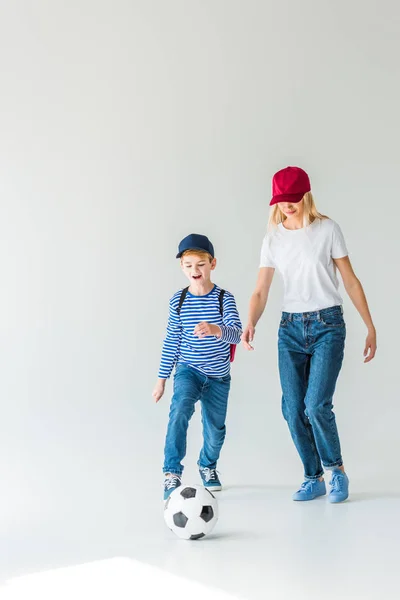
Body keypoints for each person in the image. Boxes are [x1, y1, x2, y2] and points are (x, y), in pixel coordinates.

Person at [242, 166, 377, 503]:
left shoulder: (327, 229)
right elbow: (261, 290)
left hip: (327, 325)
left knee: (316, 405)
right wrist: (251, 321)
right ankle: (312, 476)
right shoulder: (272, 237)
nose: (288, 204)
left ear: (306, 194)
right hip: (289, 329)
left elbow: (349, 280)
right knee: (291, 408)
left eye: (293, 197)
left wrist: (370, 326)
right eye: (281, 199)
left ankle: (336, 471)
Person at [153, 234, 242, 500]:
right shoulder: (178, 301)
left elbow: (237, 334)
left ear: (212, 264)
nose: (195, 270)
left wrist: (216, 329)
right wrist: (161, 379)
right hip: (188, 370)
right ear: (182, 267)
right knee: (179, 410)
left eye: (201, 264)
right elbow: (172, 340)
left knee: (215, 430)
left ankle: (207, 465)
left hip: (217, 377)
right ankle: (172, 473)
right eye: (189, 265)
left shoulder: (224, 298)